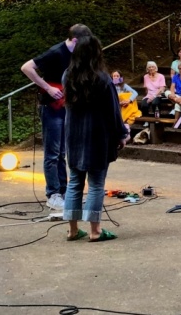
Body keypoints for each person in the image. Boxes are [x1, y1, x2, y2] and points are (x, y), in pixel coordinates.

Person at [21, 23, 93, 210]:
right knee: (52, 154)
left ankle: (65, 191)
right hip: (51, 107)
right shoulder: (55, 52)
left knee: (63, 152)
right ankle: (53, 194)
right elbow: (27, 67)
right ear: (75, 40)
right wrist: (48, 87)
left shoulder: (77, 54)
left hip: (67, 107)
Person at [61, 35, 127, 242]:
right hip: (97, 136)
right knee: (96, 184)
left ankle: (72, 230)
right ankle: (95, 231)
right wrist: (122, 134)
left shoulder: (67, 76)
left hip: (73, 135)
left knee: (74, 183)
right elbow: (113, 112)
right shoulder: (103, 79)